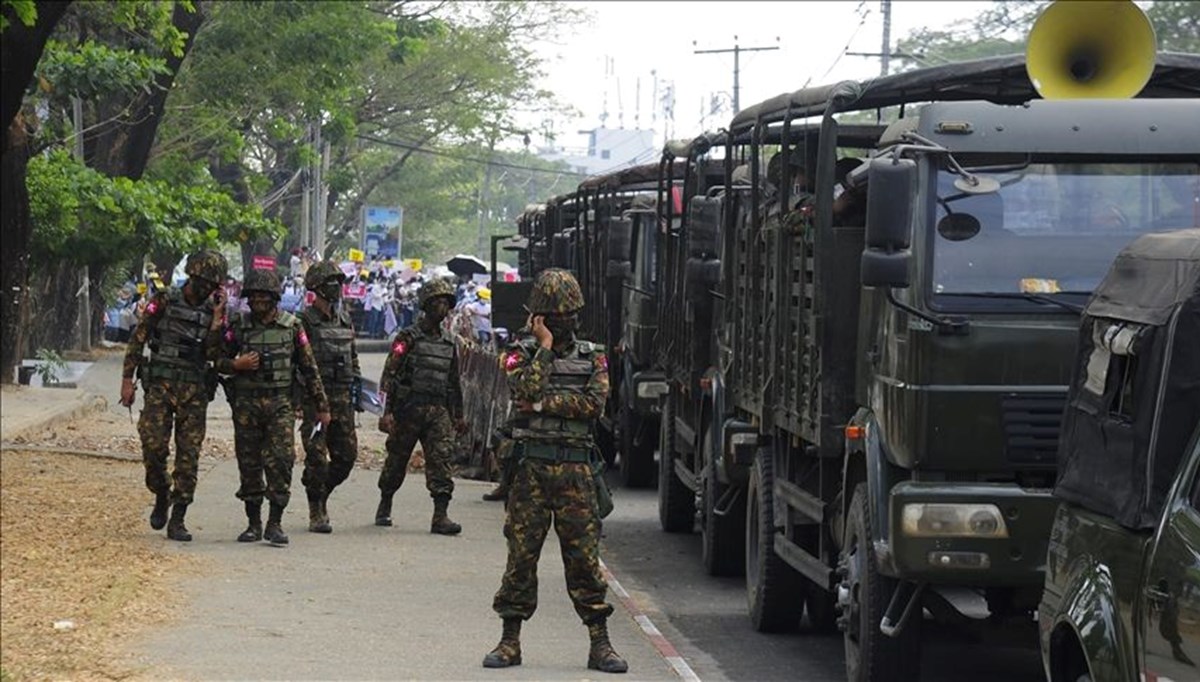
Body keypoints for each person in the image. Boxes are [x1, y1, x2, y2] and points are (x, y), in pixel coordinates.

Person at [483, 268, 627, 674]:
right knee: (521, 558)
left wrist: (546, 404)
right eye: (554, 316)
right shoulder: (519, 352)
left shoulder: (593, 356)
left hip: (577, 473)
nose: (565, 322)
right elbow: (523, 391)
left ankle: (600, 643)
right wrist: (544, 349)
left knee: (583, 560)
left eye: (567, 315)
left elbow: (594, 406)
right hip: (530, 470)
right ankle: (510, 640)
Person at [119, 250, 228, 542]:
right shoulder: (165, 300)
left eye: (212, 284)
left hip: (194, 391)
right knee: (152, 446)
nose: (205, 288)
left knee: (188, 456)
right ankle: (161, 491)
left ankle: (178, 517)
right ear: (192, 276)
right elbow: (139, 337)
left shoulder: (214, 312)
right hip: (161, 387)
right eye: (202, 281)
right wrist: (127, 380)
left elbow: (216, 355)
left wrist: (217, 321)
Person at [216, 268, 331, 546]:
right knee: (249, 463)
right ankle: (253, 524)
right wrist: (235, 364)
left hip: (281, 404)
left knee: (281, 461)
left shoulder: (292, 327)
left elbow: (309, 367)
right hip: (246, 405)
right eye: (252, 296)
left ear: (274, 298)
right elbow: (215, 358)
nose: (257, 300)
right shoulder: (239, 327)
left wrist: (322, 405)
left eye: (263, 295)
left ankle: (274, 523)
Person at [375, 277, 465, 535]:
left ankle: (441, 515)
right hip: (408, 409)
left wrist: (458, 415)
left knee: (441, 461)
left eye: (446, 303)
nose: (442, 307)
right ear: (425, 305)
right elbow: (389, 375)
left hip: (437, 411)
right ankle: (386, 502)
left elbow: (453, 381)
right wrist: (386, 412)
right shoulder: (408, 338)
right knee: (396, 460)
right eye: (437, 302)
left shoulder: (449, 343)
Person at [298, 260, 361, 534]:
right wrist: (301, 400)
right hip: (315, 401)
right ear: (317, 288)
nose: (336, 288)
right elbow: (298, 362)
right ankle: (316, 510)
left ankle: (321, 491)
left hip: (343, 398)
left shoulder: (345, 319)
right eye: (330, 283)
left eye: (339, 282)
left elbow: (353, 357)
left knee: (347, 457)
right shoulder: (304, 322)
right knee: (316, 456)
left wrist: (357, 390)